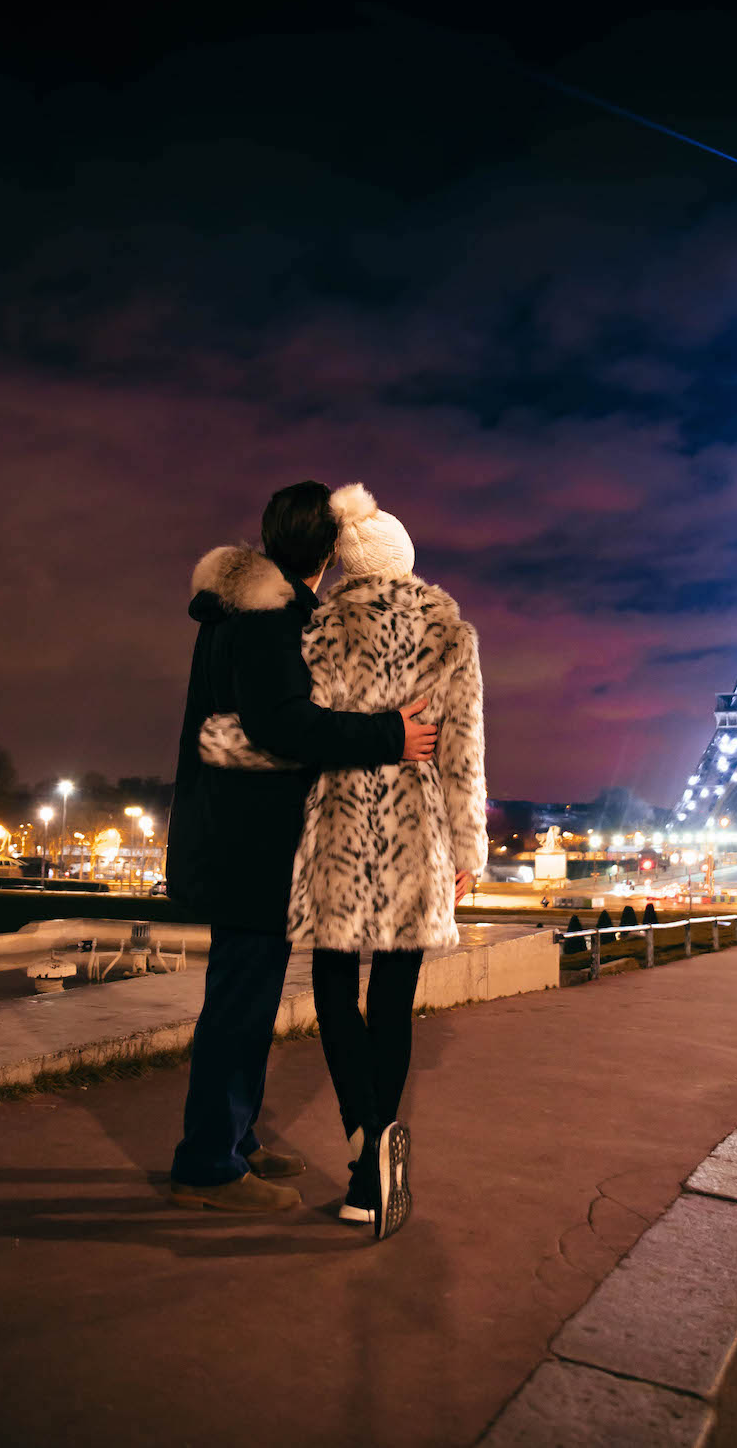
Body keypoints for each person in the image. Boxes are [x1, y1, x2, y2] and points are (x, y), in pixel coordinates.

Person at [165, 480, 437, 1215]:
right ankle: (208, 1164)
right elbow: (284, 725)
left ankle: (233, 1137)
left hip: (234, 830)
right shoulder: (272, 616)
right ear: (327, 551)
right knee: (239, 1003)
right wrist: (392, 736)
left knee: (244, 999)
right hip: (253, 840)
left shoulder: (240, 606)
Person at [286, 483, 488, 1240]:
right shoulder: (451, 633)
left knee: (334, 991)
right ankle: (376, 1163)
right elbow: (462, 755)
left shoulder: (322, 627)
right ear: (405, 561)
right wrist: (468, 849)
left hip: (338, 826)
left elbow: (303, 733)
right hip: (416, 831)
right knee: (393, 1003)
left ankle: (364, 1151)